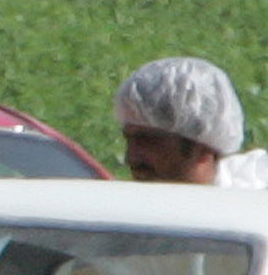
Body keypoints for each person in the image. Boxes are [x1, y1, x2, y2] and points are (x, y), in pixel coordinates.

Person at [114, 57, 268, 187]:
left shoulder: (251, 210)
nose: (130, 158)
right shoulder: (126, 212)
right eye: (129, 139)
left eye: (148, 140)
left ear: (204, 148)